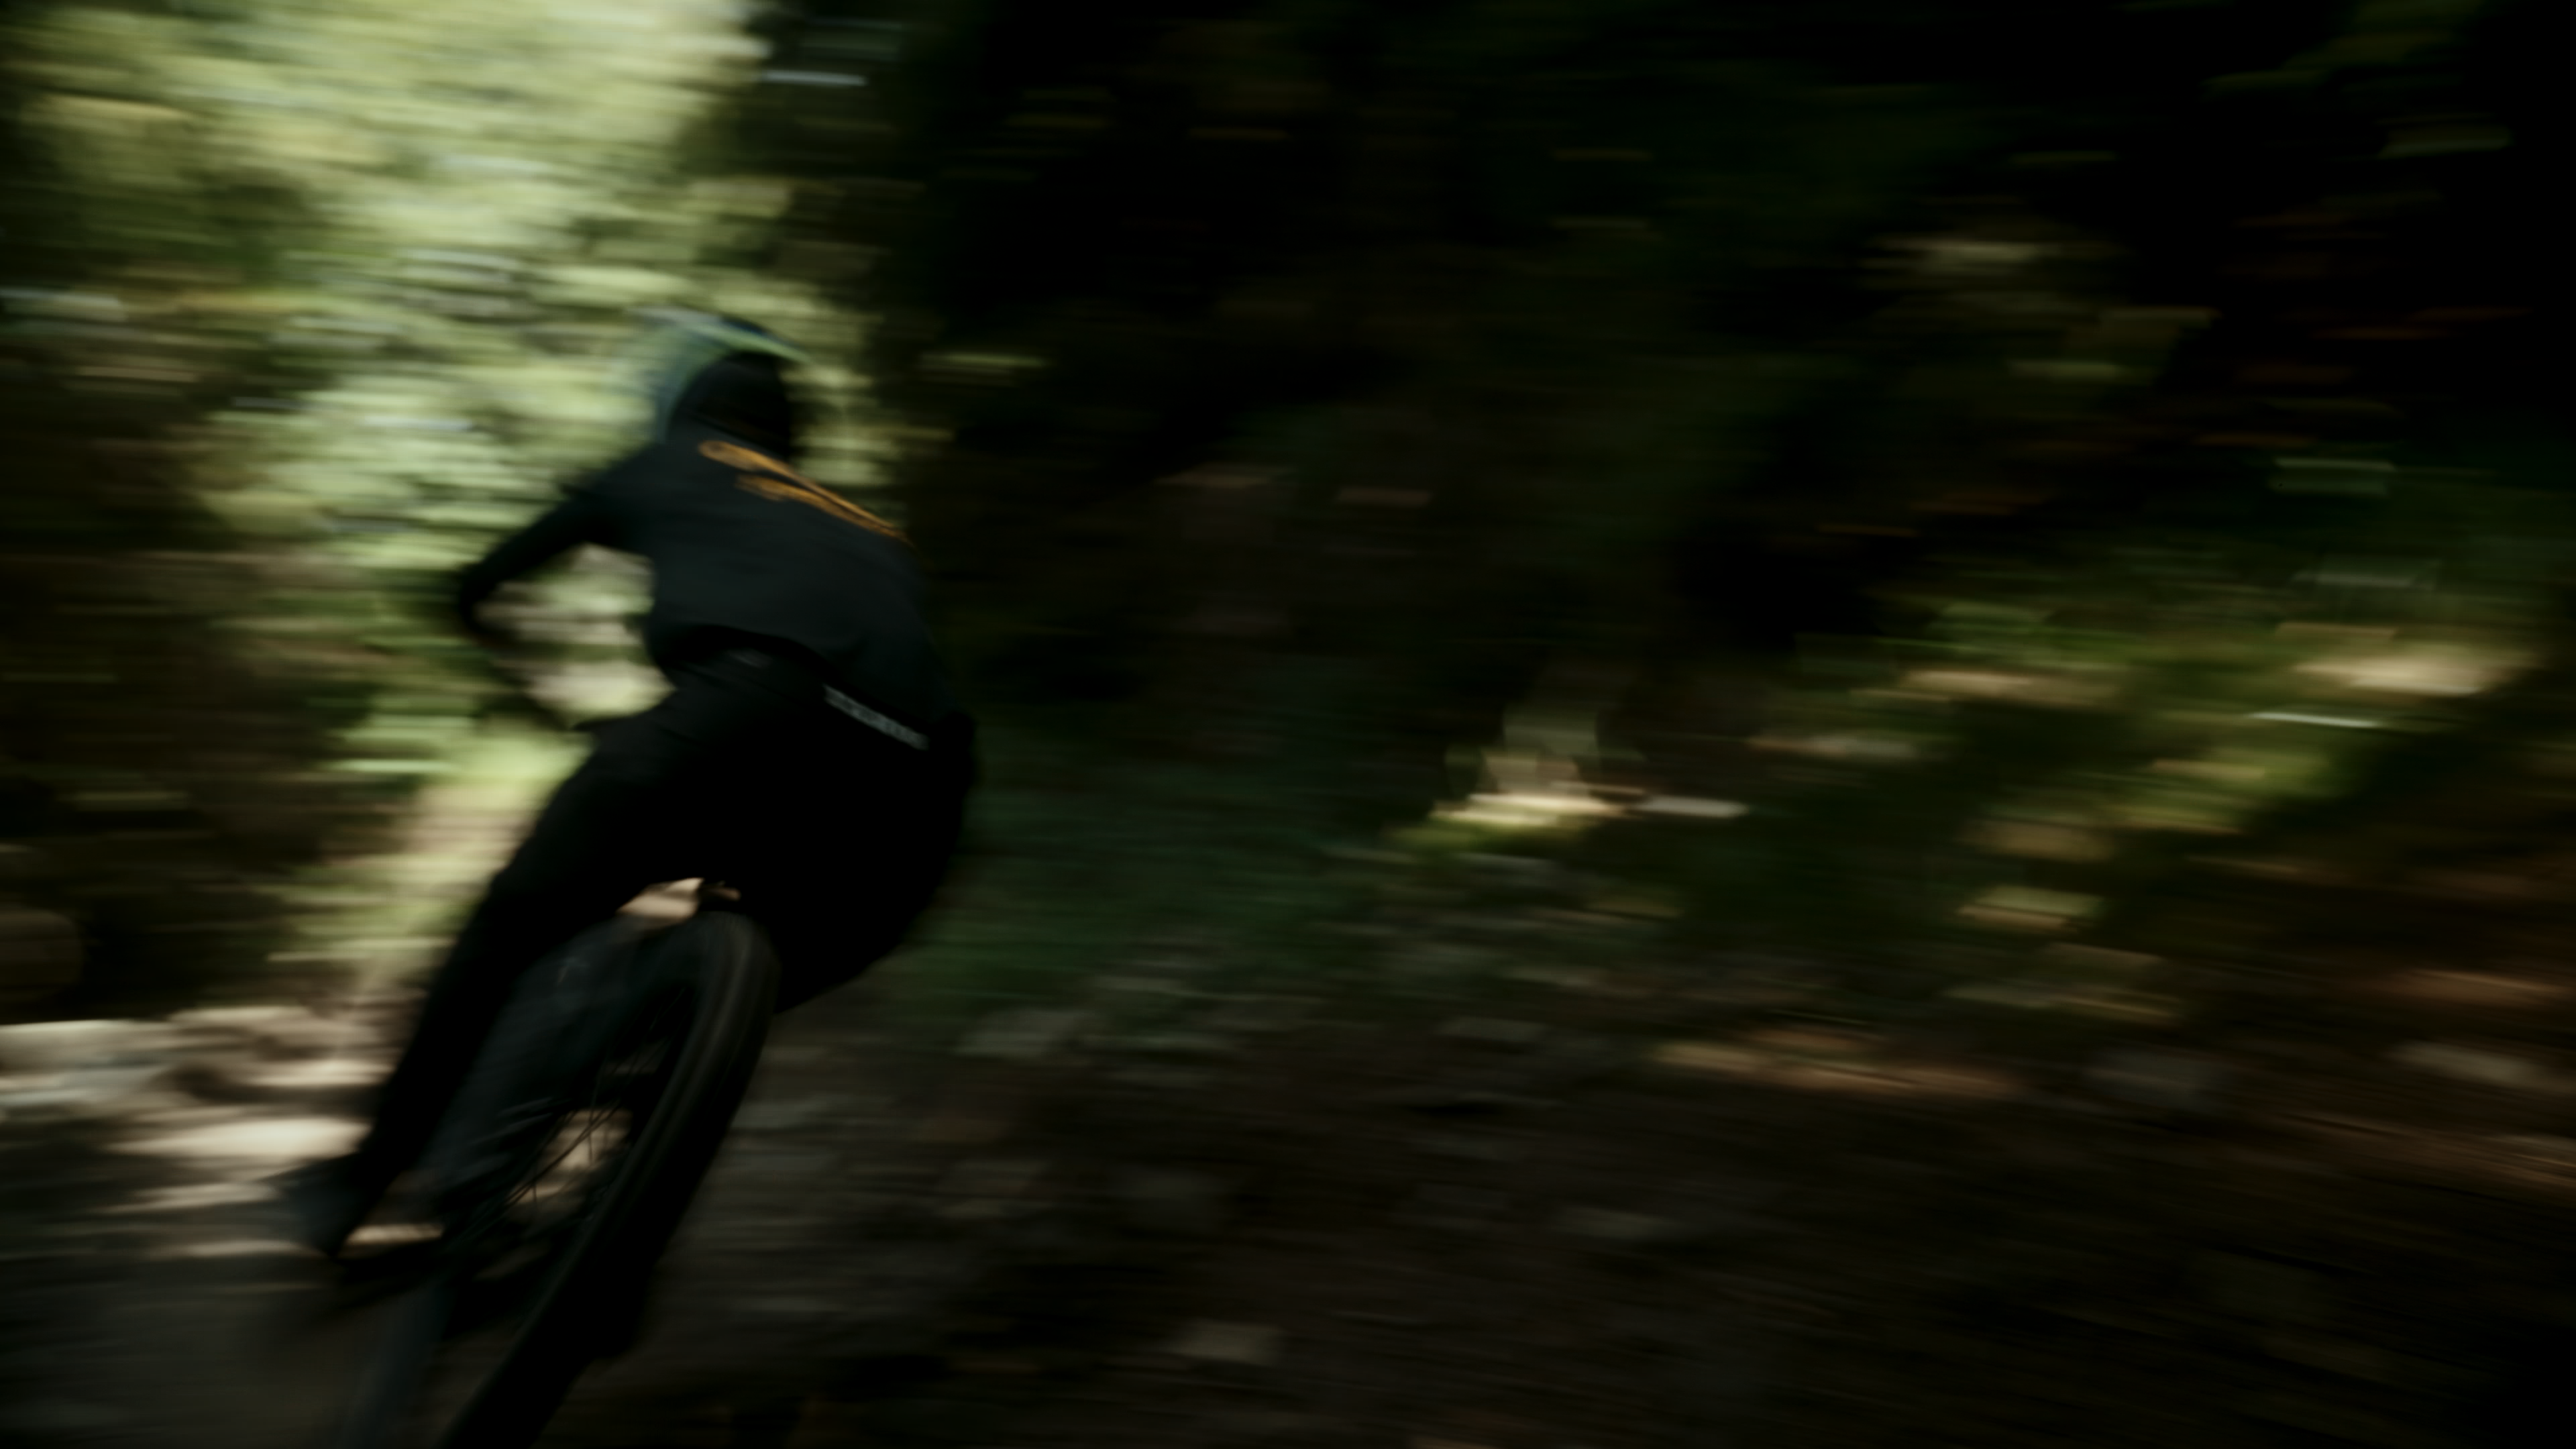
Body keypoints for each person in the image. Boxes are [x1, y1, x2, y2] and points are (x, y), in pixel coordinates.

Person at [275, 313, 975, 1257]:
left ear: (682, 410)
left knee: (511, 927)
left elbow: (481, 586)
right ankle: (643, 1105)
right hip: (920, 783)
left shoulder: (668, 461)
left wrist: (530, 686)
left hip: (746, 712)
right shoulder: (874, 528)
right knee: (767, 965)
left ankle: (361, 1181)